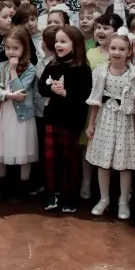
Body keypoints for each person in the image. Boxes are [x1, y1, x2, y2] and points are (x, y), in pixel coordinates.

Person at [38, 24, 94, 213]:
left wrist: (65, 94)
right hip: (52, 119)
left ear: (76, 44)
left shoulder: (83, 69)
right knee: (50, 159)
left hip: (72, 122)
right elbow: (41, 87)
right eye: (56, 42)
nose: (58, 45)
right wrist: (51, 89)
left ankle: (70, 196)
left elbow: (84, 97)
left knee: (70, 160)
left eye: (63, 42)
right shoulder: (52, 65)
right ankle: (50, 193)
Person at [85, 30, 135, 220]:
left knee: (124, 164)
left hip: (125, 122)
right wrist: (91, 124)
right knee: (103, 163)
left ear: (129, 52)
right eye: (113, 48)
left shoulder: (134, 75)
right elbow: (95, 101)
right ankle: (104, 198)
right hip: (105, 120)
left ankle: (123, 201)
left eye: (122, 49)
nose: (117, 52)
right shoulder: (100, 72)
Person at [0, 26, 39, 203]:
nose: (11, 52)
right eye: (8, 48)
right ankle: (1, 188)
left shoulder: (30, 69)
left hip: (21, 118)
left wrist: (14, 71)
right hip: (2, 115)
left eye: (15, 48)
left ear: (24, 48)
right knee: (1, 149)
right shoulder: (0, 66)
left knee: (22, 151)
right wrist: (7, 95)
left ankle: (21, 190)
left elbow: (21, 92)